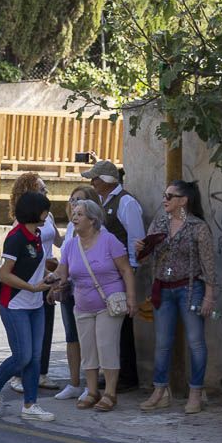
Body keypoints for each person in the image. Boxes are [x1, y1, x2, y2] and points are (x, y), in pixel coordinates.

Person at [135, 180, 217, 414]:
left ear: (184, 200)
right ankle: (160, 390)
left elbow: (208, 264)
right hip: (163, 287)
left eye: (170, 196)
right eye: (165, 195)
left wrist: (209, 296)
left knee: (196, 341)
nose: (165, 199)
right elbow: (143, 258)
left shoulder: (197, 227)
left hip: (190, 289)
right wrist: (140, 249)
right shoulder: (159, 222)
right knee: (162, 343)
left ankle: (196, 392)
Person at [53, 199, 137, 412]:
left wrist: (131, 298)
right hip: (82, 304)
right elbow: (63, 272)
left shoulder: (109, 241)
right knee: (88, 349)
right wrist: (51, 280)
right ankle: (92, 391)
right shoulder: (71, 245)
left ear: (92, 220)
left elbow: (126, 270)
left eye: (80, 214)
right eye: (74, 213)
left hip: (108, 303)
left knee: (106, 346)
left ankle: (110, 392)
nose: (74, 217)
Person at [0, 190, 55, 422]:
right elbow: (4, 275)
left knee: (35, 357)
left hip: (36, 305)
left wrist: (49, 273)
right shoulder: (16, 237)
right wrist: (32, 288)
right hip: (15, 304)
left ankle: (30, 404)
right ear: (35, 211)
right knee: (22, 356)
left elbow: (35, 264)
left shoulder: (37, 234)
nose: (48, 212)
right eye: (45, 208)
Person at [84, 159, 145, 392]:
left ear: (107, 181)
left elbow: (135, 238)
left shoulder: (126, 203)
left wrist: (131, 268)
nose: (92, 183)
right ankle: (114, 373)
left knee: (121, 326)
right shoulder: (103, 201)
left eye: (95, 179)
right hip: (107, 271)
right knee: (109, 325)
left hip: (119, 271)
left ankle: (127, 376)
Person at [7, 173, 60, 395]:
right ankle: (18, 375)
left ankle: (42, 373)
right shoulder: (19, 224)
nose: (46, 192)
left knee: (46, 325)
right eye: (41, 189)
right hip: (29, 278)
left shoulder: (48, 217)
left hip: (47, 275)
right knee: (26, 332)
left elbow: (58, 240)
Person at [51, 186, 101, 401]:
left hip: (88, 289)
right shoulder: (71, 230)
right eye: (72, 200)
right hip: (69, 287)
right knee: (72, 337)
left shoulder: (100, 235)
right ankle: (73, 383)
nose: (74, 205)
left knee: (91, 338)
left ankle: (92, 386)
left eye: (79, 201)